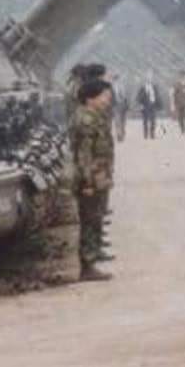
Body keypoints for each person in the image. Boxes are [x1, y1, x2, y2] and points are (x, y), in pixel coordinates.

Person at [69, 79, 115, 283]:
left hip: (99, 176)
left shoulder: (94, 116)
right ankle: (87, 266)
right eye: (104, 96)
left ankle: (91, 260)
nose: (107, 100)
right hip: (91, 178)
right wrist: (87, 182)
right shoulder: (86, 120)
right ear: (90, 98)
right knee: (89, 220)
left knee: (95, 218)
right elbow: (84, 154)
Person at [136, 74, 160, 139]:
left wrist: (158, 105)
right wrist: (140, 105)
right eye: (148, 79)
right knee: (145, 121)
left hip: (153, 105)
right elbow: (138, 97)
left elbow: (158, 96)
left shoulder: (154, 87)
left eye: (150, 79)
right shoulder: (142, 88)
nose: (149, 80)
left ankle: (152, 134)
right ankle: (145, 134)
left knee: (153, 121)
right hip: (145, 105)